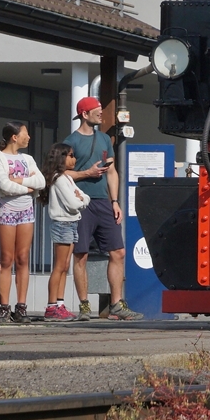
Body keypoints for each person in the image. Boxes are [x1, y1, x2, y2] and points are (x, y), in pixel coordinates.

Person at [64, 96, 143, 321]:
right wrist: (85, 174)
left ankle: (116, 304)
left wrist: (115, 201)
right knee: (81, 254)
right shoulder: (70, 141)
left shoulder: (105, 140)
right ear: (84, 114)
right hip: (80, 203)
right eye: (95, 110)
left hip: (103, 203)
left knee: (118, 252)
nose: (100, 113)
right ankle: (84, 306)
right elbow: (60, 172)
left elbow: (111, 171)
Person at [0, 122, 44, 324]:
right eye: (25, 133)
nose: (28, 137)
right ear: (14, 136)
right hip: (7, 210)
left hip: (26, 211)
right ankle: (4, 308)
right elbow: (4, 186)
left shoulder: (27, 159)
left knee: (23, 257)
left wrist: (19, 182)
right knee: (7, 258)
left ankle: (21, 307)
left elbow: (41, 182)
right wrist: (28, 188)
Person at [42, 142, 89, 322]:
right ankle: (51, 306)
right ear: (62, 158)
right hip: (62, 224)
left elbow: (84, 197)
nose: (74, 159)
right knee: (59, 266)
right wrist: (81, 201)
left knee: (65, 266)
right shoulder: (59, 179)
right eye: (70, 155)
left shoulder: (67, 178)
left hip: (71, 223)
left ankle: (59, 304)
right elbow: (74, 203)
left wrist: (82, 200)